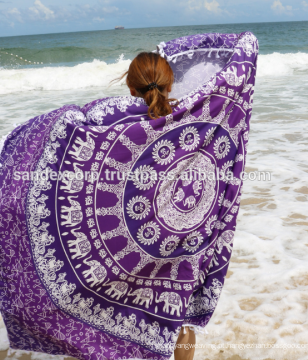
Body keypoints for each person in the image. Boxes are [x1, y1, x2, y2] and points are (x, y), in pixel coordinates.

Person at [116, 51, 197, 360]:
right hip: (179, 232)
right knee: (182, 312)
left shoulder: (115, 126)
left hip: (131, 236)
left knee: (120, 306)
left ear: (130, 87)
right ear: (171, 85)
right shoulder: (195, 120)